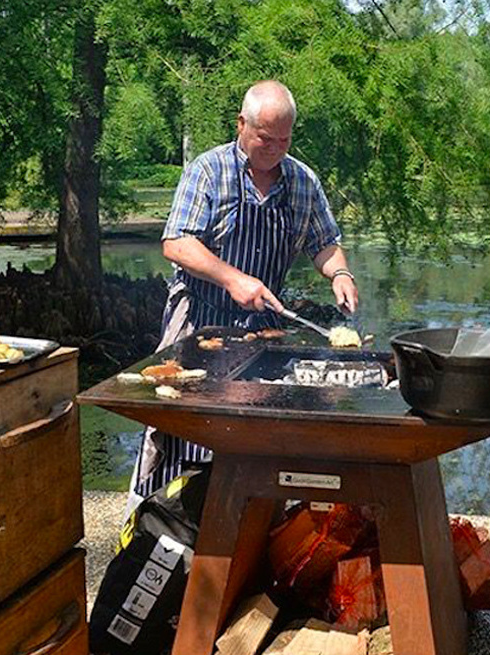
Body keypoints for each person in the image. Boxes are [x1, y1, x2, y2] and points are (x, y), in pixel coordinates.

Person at [129, 80, 358, 504]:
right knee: (186, 427)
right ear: (241, 124)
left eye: (284, 140)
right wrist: (233, 278)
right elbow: (176, 243)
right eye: (265, 139)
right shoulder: (208, 171)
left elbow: (324, 243)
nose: (274, 149)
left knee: (259, 431)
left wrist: (340, 273)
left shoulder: (303, 181)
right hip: (200, 319)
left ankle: (254, 517)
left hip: (264, 329)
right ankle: (168, 517)